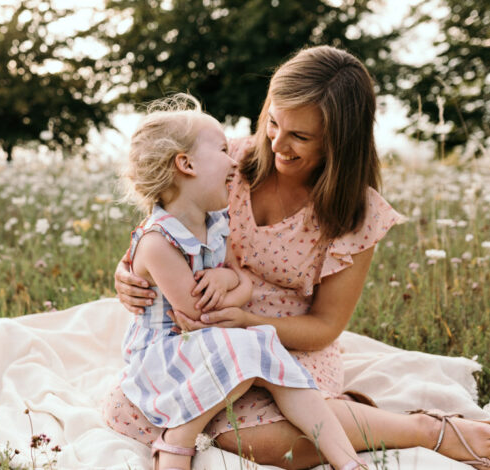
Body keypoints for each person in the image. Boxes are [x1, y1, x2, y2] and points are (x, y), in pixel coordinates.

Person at [105, 45, 490, 470]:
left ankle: (425, 430)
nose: (278, 144)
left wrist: (251, 323)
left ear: (339, 141)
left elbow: (325, 326)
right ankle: (359, 421)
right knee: (221, 424)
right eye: (273, 123)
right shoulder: (225, 159)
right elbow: (161, 232)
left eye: (300, 137)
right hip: (207, 336)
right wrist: (127, 275)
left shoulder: (354, 213)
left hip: (290, 339)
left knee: (273, 441)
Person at [117, 94, 366, 470]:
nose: (234, 158)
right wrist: (231, 294)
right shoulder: (157, 242)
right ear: (185, 164)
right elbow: (198, 314)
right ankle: (179, 436)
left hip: (214, 337)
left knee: (280, 368)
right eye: (221, 150)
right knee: (254, 351)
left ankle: (348, 462)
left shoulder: (216, 223)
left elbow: (242, 280)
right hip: (168, 352)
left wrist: (226, 276)